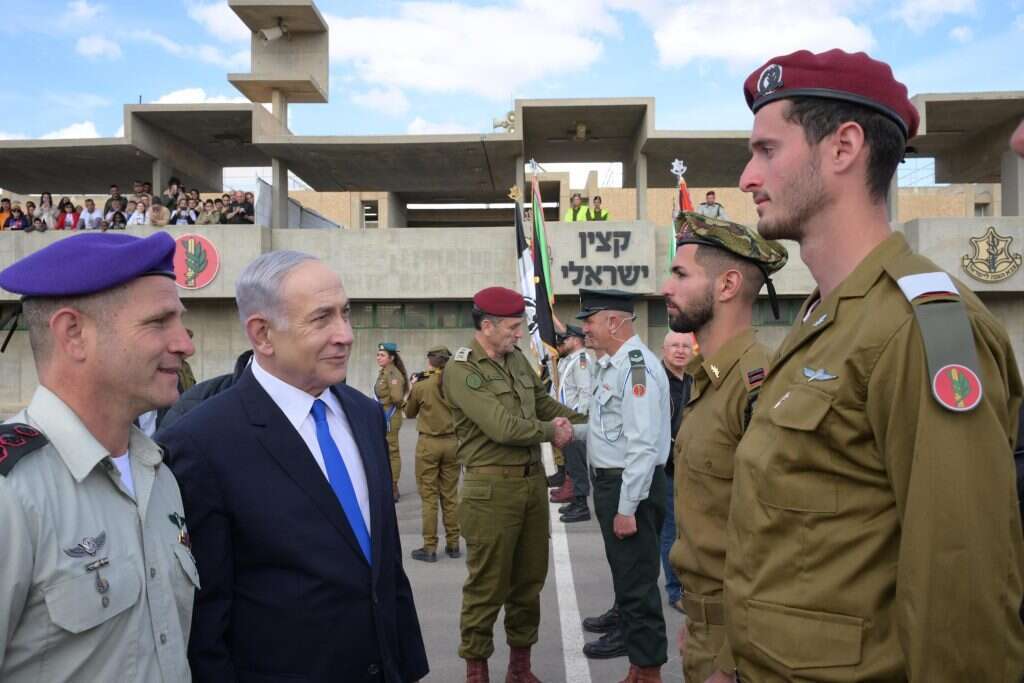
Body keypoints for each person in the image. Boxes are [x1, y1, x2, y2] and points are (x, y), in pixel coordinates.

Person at [722, 48, 1024, 681]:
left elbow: (960, 590)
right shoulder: (823, 318)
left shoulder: (922, 327)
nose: (748, 177)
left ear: (843, 148)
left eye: (767, 151)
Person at [157, 251, 429, 682]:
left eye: (345, 313)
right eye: (321, 319)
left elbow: (385, 564)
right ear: (263, 334)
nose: (344, 334)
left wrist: (407, 666)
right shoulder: (201, 443)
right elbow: (206, 621)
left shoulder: (363, 414)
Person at [0, 232, 198, 682]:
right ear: (74, 334)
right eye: (159, 322)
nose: (185, 344)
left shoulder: (158, 475)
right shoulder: (12, 493)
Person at [663, 212, 788, 683]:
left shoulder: (758, 387)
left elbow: (772, 543)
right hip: (705, 628)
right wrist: (698, 624)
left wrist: (732, 657)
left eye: (680, 274)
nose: (665, 288)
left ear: (728, 284)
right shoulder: (709, 380)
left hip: (739, 647)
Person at [442, 286, 582, 683]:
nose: (519, 333)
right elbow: (501, 427)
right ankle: (477, 670)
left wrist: (586, 420)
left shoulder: (517, 360)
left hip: (530, 489)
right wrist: (551, 432)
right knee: (487, 587)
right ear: (486, 326)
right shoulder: (462, 370)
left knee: (528, 583)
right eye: (512, 326)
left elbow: (543, 405)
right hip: (490, 493)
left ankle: (520, 669)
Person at [570, 289, 670, 683]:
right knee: (627, 579)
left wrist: (627, 507)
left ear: (614, 322)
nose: (585, 329)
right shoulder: (610, 366)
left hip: (632, 489)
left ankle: (648, 672)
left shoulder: (636, 368)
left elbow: (643, 445)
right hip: (616, 484)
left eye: (590, 321)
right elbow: (608, 432)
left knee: (638, 585)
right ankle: (639, 666)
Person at [404, 345, 461, 562]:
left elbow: (409, 413)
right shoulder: (456, 385)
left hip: (429, 444)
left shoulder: (422, 386)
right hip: (452, 443)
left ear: (430, 362)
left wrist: (412, 388)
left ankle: (429, 547)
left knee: (429, 498)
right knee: (450, 495)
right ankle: (453, 543)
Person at [658, 330, 695, 614]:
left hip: (691, 468)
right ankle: (675, 590)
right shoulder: (655, 380)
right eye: (675, 346)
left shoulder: (695, 380)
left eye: (685, 346)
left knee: (689, 529)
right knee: (671, 531)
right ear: (664, 349)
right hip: (665, 469)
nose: (680, 350)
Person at [550, 325, 594, 523]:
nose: (562, 343)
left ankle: (581, 505)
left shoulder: (582, 361)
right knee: (572, 463)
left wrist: (579, 418)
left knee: (577, 466)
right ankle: (576, 500)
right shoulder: (570, 360)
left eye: (565, 339)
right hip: (568, 421)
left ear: (576, 340)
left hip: (576, 421)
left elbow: (585, 392)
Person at [375, 342, 408, 502]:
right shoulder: (384, 372)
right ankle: (388, 483)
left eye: (382, 355)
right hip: (383, 415)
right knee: (385, 450)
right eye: (378, 355)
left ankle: (393, 487)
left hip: (390, 417)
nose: (378, 357)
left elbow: (397, 398)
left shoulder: (393, 374)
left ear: (391, 358)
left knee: (392, 451)